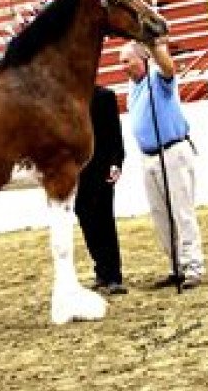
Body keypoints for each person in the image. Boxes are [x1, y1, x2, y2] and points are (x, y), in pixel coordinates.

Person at [120, 39, 205, 289]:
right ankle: (176, 265)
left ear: (141, 59)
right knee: (161, 215)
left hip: (172, 152)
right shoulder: (132, 87)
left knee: (182, 212)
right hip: (148, 157)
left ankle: (193, 266)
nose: (123, 67)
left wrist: (154, 45)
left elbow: (169, 69)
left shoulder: (158, 79)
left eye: (127, 61)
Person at [75, 85, 127, 295]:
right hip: (77, 171)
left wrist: (117, 162)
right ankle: (101, 270)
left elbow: (115, 135)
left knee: (104, 219)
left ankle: (113, 274)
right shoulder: (66, 98)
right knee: (86, 219)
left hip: (101, 168)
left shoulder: (104, 97)